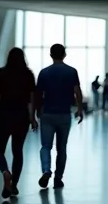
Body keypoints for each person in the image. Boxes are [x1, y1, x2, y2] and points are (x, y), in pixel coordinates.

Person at [34, 43, 84, 189]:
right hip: (64, 114)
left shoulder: (44, 73)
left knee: (45, 146)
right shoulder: (71, 71)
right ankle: (58, 178)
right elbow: (77, 92)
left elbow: (38, 94)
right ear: (64, 55)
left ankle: (46, 170)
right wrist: (79, 109)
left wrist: (37, 111)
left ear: (50, 55)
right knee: (61, 148)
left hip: (47, 113)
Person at [0, 47, 37, 200]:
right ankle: (14, 184)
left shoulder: (2, 73)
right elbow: (32, 98)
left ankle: (5, 172)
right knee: (18, 151)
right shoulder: (28, 74)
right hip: (21, 116)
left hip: (4, 115)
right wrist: (33, 117)